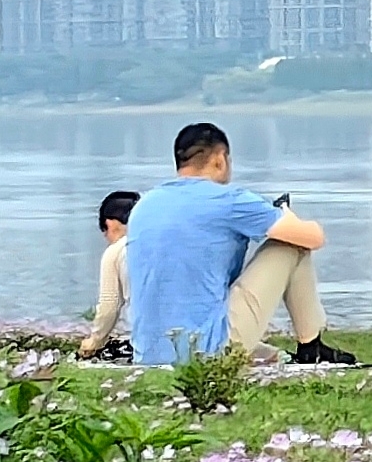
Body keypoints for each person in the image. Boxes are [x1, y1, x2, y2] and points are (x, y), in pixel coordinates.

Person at [118, 121, 347, 367]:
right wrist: (286, 213)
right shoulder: (230, 200)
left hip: (149, 355)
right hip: (208, 352)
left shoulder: (144, 206)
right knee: (291, 245)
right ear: (220, 159)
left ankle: (296, 350)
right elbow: (314, 238)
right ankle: (311, 345)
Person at [79, 188, 141, 360]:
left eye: (104, 231)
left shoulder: (117, 251)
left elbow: (109, 307)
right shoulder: (163, 243)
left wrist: (94, 342)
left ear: (110, 223)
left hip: (145, 342)